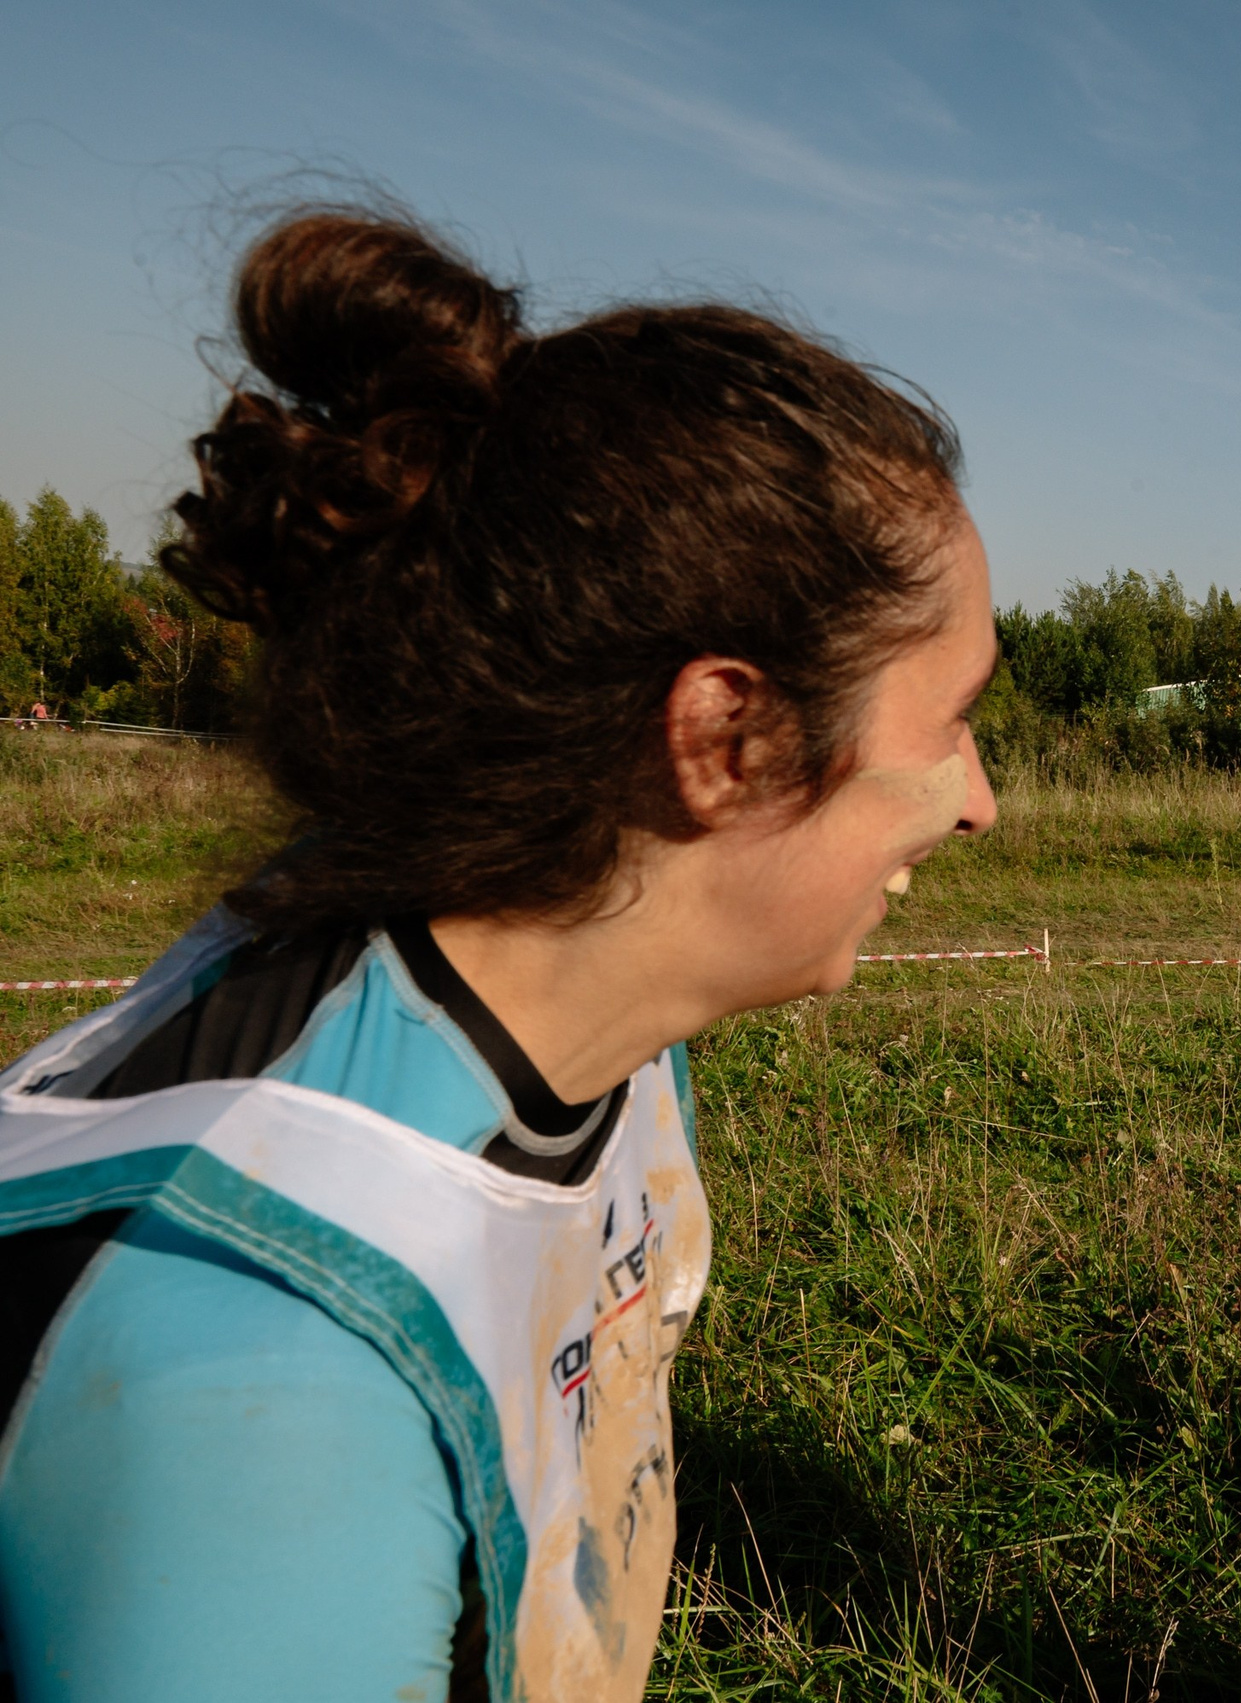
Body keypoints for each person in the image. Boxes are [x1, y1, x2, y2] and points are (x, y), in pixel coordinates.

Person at [0, 211, 997, 1702]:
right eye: (952, 719)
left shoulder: (577, 1006)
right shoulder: (263, 1402)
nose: (981, 799)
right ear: (726, 736)